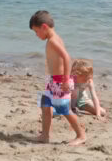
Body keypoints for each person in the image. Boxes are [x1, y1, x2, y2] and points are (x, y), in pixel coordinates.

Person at [29, 10, 85, 145]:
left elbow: (67, 58)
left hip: (60, 81)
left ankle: (81, 135)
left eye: (36, 32)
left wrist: (66, 79)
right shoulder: (54, 39)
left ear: (44, 27)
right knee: (45, 104)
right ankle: (45, 135)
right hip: (53, 80)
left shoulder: (53, 41)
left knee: (64, 109)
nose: (36, 35)